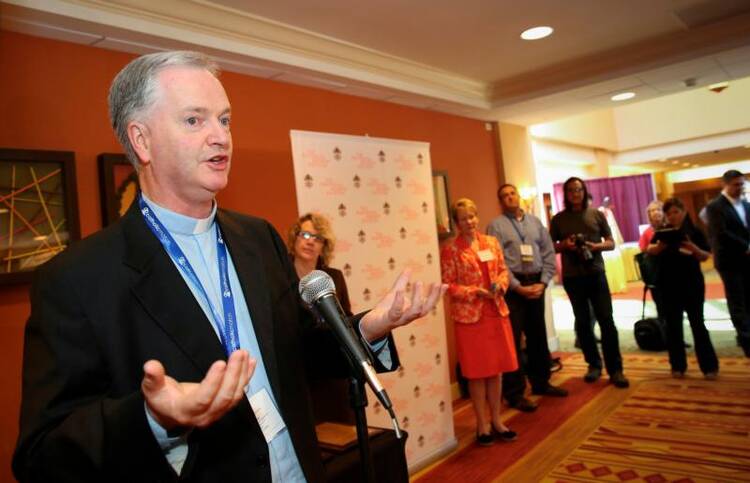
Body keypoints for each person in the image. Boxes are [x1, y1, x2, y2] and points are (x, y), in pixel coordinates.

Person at [12, 51, 446, 483]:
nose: (220, 137)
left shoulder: (258, 238)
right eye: (194, 120)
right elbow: (44, 454)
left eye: (224, 119)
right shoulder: (76, 279)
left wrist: (369, 325)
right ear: (141, 141)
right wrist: (154, 418)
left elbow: (297, 355)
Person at [441, 198, 518, 446]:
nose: (469, 222)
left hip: (495, 312)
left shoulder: (491, 243)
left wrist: (501, 285)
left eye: (472, 216)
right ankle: (481, 425)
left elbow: (503, 271)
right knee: (476, 374)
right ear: (457, 223)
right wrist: (475, 291)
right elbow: (448, 286)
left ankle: (497, 420)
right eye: (463, 218)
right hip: (470, 318)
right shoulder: (451, 250)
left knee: (495, 371)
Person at [486, 184, 567, 413]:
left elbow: (548, 252)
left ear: (518, 197)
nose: (509, 198)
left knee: (538, 336)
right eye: (504, 196)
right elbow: (497, 261)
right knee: (512, 340)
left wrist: (543, 282)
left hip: (537, 284)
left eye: (512, 193)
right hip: (514, 289)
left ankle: (541, 383)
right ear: (500, 201)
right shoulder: (496, 226)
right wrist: (518, 287)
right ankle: (515, 393)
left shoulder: (535, 222)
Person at [550, 177, 629, 388]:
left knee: (606, 321)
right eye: (571, 190)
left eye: (579, 189)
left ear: (584, 191)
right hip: (573, 277)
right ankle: (593, 365)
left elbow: (611, 243)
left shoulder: (597, 214)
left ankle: (616, 369)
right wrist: (565, 245)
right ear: (565, 194)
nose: (576, 193)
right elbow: (550, 247)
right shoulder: (558, 219)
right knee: (583, 323)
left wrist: (595, 247)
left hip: (595, 273)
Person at [287, 212, 357, 425]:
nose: (310, 242)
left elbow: (346, 316)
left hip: (332, 370)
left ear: (324, 246)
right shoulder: (280, 277)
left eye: (318, 238)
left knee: (342, 432)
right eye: (305, 234)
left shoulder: (334, 277)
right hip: (298, 372)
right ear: (294, 238)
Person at [647, 198, 718, 378]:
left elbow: (705, 256)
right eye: (668, 213)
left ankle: (709, 367)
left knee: (698, 324)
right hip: (668, 285)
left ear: (683, 212)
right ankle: (677, 366)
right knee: (673, 326)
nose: (672, 216)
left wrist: (692, 247)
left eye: (675, 212)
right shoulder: (662, 231)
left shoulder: (694, 231)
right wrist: (660, 247)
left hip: (692, 284)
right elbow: (649, 249)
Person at [705, 170, 750, 357]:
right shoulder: (715, 206)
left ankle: (746, 333)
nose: (740, 188)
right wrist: (746, 246)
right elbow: (721, 233)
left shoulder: (746, 204)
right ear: (725, 185)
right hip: (729, 260)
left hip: (746, 259)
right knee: (736, 299)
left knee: (748, 296)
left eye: (742, 184)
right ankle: (745, 338)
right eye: (736, 185)